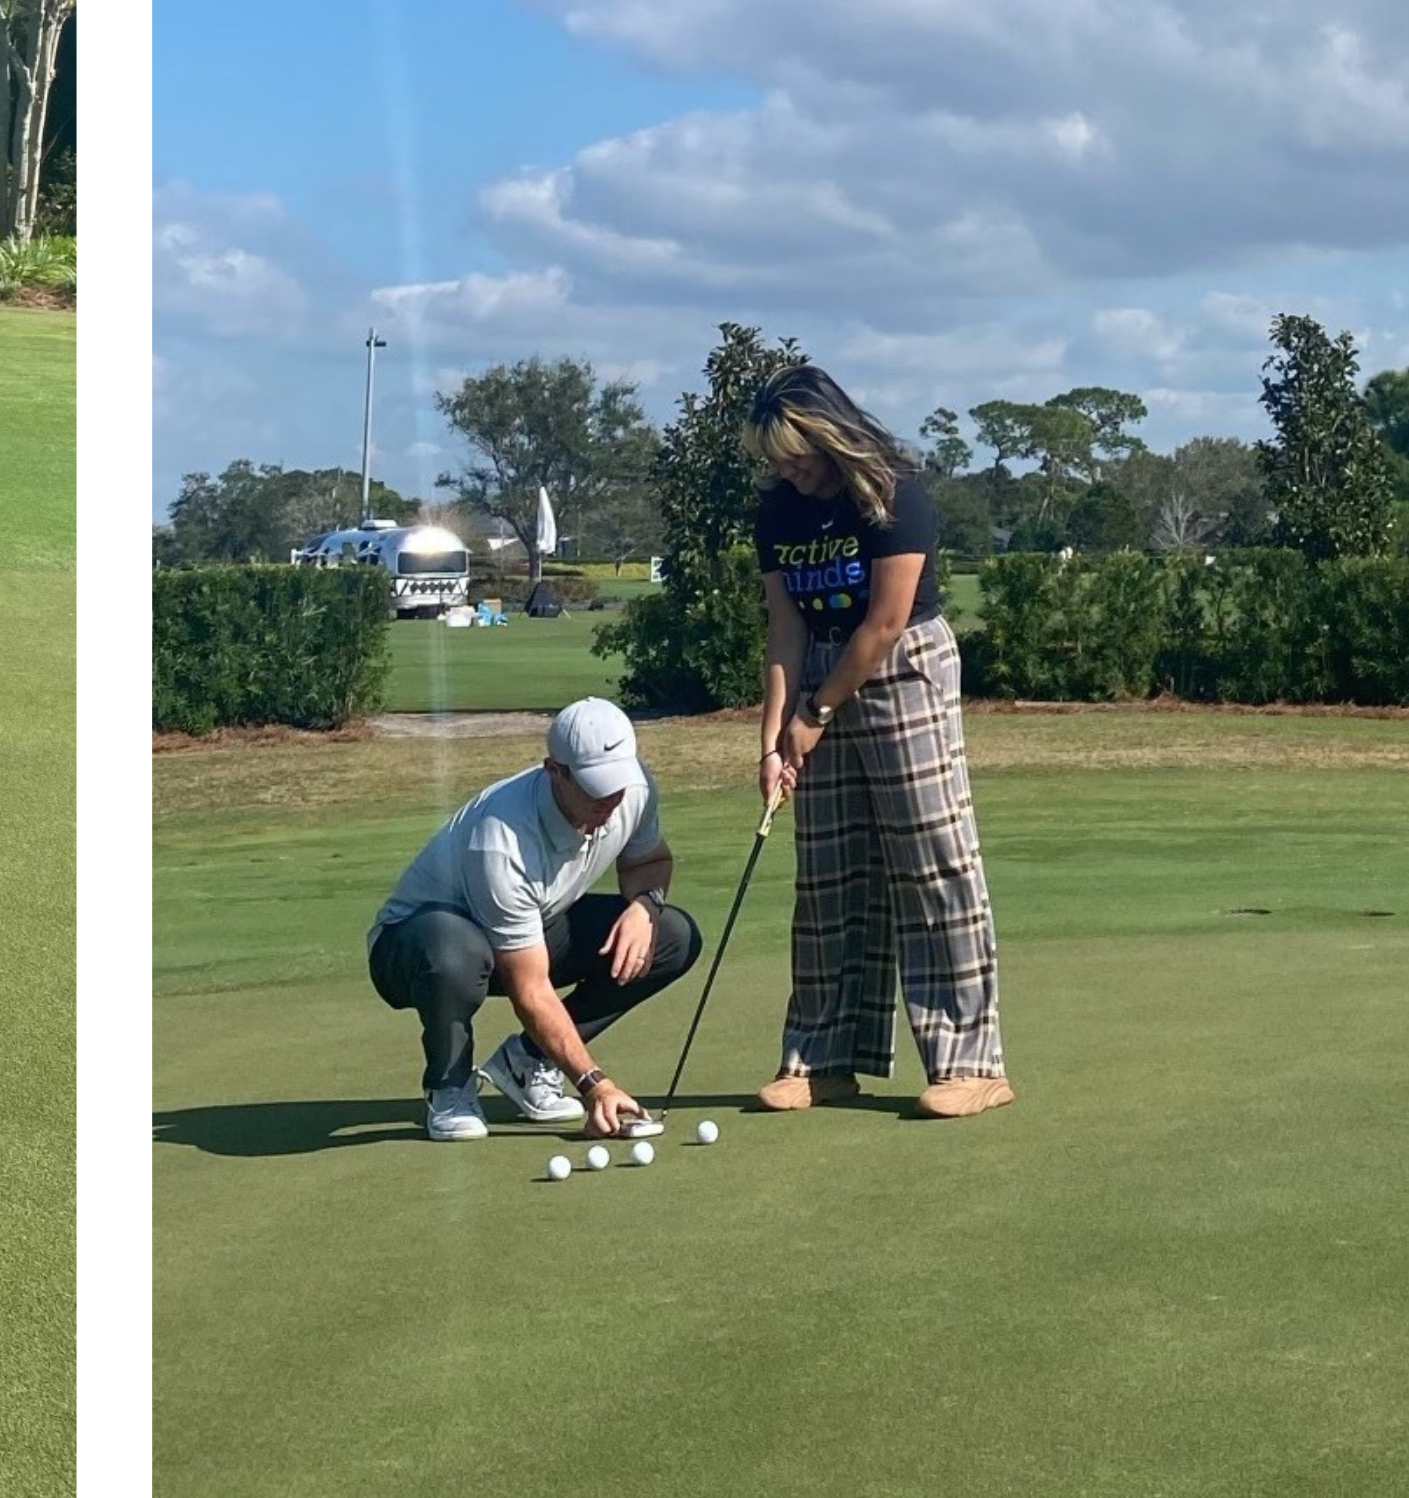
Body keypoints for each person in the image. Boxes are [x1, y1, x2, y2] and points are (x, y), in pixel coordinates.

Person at [746, 363, 1012, 1117]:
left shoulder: (894, 491)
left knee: (932, 862)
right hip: (821, 669)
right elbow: (785, 627)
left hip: (902, 669)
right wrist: (771, 741)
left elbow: (885, 624)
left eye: (795, 452)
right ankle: (821, 1057)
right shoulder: (777, 512)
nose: (786, 469)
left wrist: (814, 716)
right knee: (827, 876)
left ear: (828, 433)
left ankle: (970, 1063)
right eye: (775, 458)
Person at [367, 699, 700, 1143]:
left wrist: (646, 907)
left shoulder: (633, 790)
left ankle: (525, 1061)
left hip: (530, 927)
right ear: (554, 771)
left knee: (672, 935)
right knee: (455, 952)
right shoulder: (503, 839)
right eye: (594, 786)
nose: (610, 800)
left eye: (617, 783)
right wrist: (594, 1084)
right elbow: (530, 987)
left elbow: (649, 861)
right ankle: (449, 1088)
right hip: (413, 945)